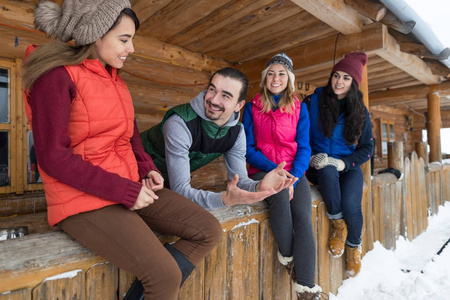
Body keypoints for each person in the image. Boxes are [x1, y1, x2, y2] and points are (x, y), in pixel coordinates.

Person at [22, 1, 222, 299]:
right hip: (81, 201)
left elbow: (130, 137)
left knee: (208, 230)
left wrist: (146, 168)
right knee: (165, 276)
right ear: (96, 34)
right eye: (124, 39)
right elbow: (52, 157)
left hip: (126, 187)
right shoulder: (56, 76)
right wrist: (124, 191)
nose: (131, 49)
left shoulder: (116, 81)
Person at [140, 67, 296, 209]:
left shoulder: (236, 132)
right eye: (212, 89)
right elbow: (180, 189)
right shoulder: (180, 123)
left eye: (226, 96)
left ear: (238, 105)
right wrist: (224, 199)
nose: (213, 100)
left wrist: (260, 186)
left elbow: (240, 180)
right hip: (135, 170)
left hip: (164, 182)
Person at [242, 53, 324, 300]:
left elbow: (304, 147)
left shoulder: (300, 109)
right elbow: (247, 147)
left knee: (303, 217)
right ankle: (289, 259)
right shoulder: (251, 107)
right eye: (271, 73)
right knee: (278, 198)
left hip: (294, 171)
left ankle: (307, 289)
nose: (275, 78)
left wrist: (294, 176)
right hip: (262, 168)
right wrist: (274, 171)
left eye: (281, 73)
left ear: (289, 79)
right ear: (265, 77)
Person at [304, 52, 374, 278]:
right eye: (336, 75)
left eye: (346, 77)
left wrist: (343, 163)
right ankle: (338, 224)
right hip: (319, 167)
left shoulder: (360, 112)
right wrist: (311, 157)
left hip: (347, 166)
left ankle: (353, 246)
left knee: (352, 205)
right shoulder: (312, 102)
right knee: (326, 168)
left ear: (353, 83)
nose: (339, 81)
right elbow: (300, 137)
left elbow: (367, 148)